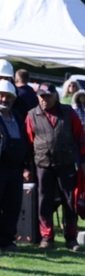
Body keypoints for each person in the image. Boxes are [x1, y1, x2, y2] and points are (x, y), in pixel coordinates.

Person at [24, 82, 85, 251]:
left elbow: (81, 137)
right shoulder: (31, 116)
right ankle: (47, 237)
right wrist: (26, 167)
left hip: (66, 164)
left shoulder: (69, 113)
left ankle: (71, 238)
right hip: (42, 165)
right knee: (44, 202)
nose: (44, 99)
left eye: (48, 96)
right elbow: (27, 144)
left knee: (70, 202)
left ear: (55, 95)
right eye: (41, 96)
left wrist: (84, 160)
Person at [0, 79, 29, 255]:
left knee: (12, 207)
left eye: (8, 96)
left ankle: (6, 241)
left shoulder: (17, 116)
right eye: (1, 96)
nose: (4, 99)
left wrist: (26, 167)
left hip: (16, 169)